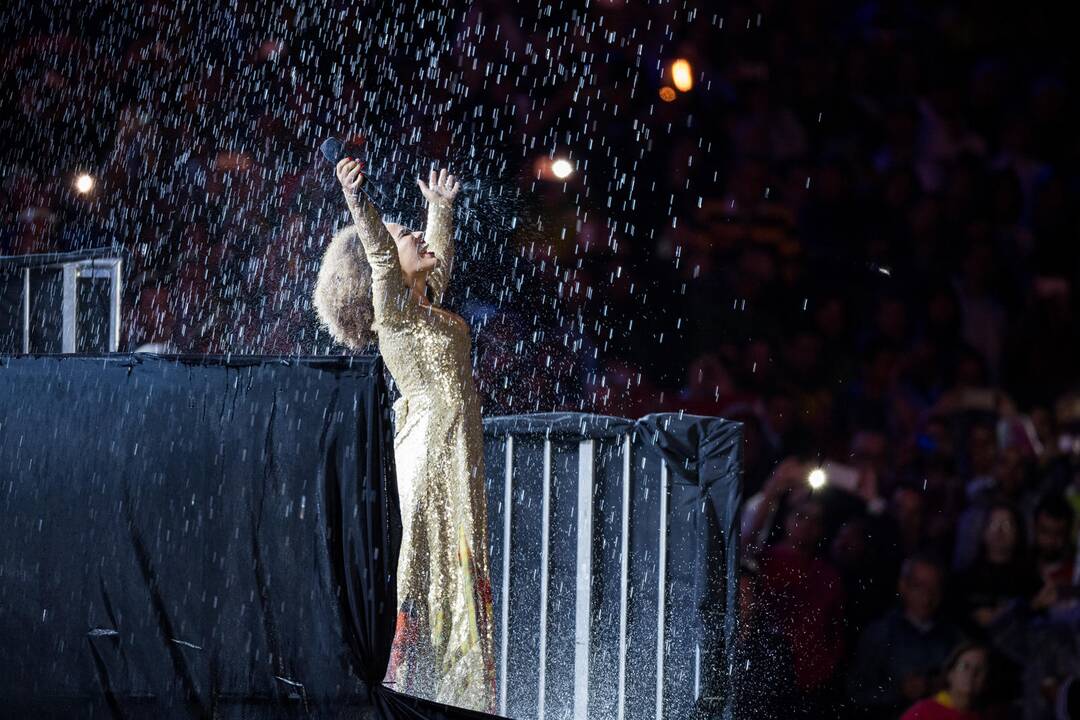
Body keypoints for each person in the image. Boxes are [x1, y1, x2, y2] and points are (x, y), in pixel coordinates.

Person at [313, 159, 495, 712]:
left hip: (455, 453)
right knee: (432, 570)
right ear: (380, 270)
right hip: (430, 456)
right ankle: (417, 696)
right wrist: (356, 200)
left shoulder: (422, 303)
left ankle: (461, 694)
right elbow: (379, 254)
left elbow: (434, 264)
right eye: (401, 233)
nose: (412, 232)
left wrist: (440, 210)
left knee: (460, 570)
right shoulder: (393, 316)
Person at [848, 555, 965, 719]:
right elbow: (856, 692)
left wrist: (942, 686)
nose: (927, 595)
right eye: (920, 586)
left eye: (935, 588)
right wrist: (898, 690)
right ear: (903, 586)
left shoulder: (953, 637)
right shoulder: (881, 633)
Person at [900, 642, 991, 720]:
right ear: (950, 673)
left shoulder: (981, 717)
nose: (972, 674)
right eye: (964, 666)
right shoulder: (923, 712)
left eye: (979, 669)